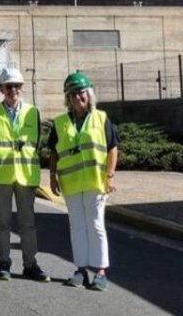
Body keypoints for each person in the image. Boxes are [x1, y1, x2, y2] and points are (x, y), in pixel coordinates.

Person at [49, 70, 120, 292]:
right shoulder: (60, 122)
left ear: (88, 94)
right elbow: (52, 152)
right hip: (71, 183)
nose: (77, 97)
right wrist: (52, 177)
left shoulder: (101, 118)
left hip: (95, 182)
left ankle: (100, 271)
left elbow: (112, 148)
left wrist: (109, 176)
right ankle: (80, 269)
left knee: (96, 225)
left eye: (81, 93)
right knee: (77, 227)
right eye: (72, 94)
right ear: (67, 98)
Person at [0, 67, 49, 282]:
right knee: (2, 223)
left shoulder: (32, 112)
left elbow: (36, 143)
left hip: (26, 176)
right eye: (8, 86)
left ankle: (30, 264)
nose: (13, 90)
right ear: (1, 89)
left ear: (22, 88)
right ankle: (4, 262)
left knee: (28, 223)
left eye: (16, 86)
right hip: (1, 176)